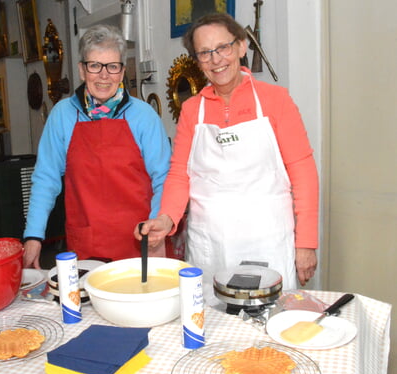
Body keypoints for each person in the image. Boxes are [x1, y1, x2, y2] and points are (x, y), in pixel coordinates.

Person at [135, 13, 319, 303]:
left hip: (268, 242)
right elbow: (180, 174)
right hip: (210, 246)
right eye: (205, 53)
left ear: (241, 47)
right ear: (197, 61)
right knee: (212, 331)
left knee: (267, 334)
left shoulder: (276, 100)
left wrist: (306, 242)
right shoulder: (191, 110)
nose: (216, 59)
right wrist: (166, 218)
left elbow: (303, 171)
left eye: (223, 47)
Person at [23, 24, 171, 268]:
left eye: (112, 66)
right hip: (87, 245)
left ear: (122, 72)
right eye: (95, 66)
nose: (104, 75)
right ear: (82, 70)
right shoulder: (63, 115)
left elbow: (163, 178)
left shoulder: (144, 116)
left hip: (141, 240)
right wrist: (33, 235)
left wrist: (156, 226)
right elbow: (45, 179)